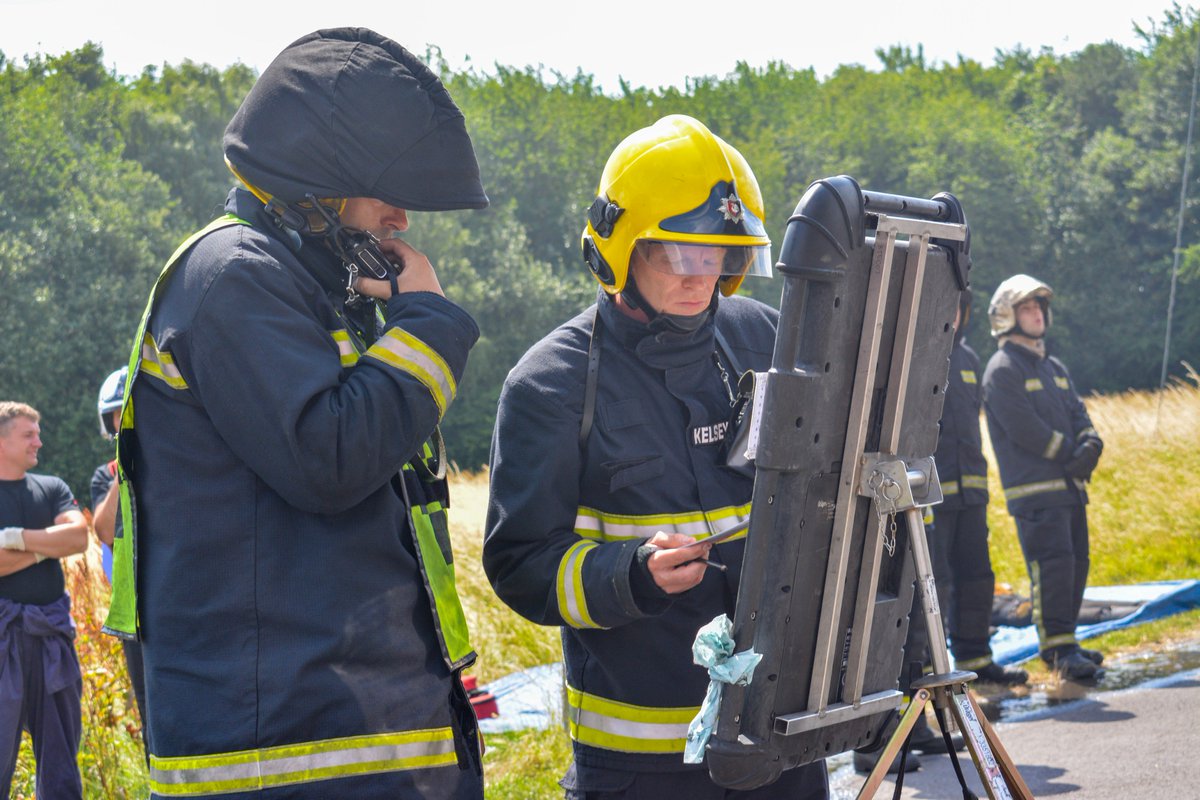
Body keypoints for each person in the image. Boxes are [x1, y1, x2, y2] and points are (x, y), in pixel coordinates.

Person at [102, 28, 489, 798]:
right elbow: (332, 458)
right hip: (291, 754)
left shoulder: (293, 286)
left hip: (340, 740)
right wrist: (431, 327)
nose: (401, 218)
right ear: (319, 183)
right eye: (387, 192)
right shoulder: (235, 278)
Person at [483, 115, 829, 799]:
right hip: (640, 762)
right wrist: (630, 575)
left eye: (721, 256)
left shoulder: (759, 336)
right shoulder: (550, 383)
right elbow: (519, 565)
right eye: (679, 254)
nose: (702, 277)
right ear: (620, 247)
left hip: (775, 735)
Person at [982, 275, 1104, 682]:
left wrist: (1091, 444)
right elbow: (1025, 429)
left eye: (1039, 308)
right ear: (1007, 317)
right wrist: (1071, 453)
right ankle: (1057, 650)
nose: (1037, 314)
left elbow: (1078, 414)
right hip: (1035, 493)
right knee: (1052, 567)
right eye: (1027, 308)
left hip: (1070, 490)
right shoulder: (1002, 370)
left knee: (1075, 564)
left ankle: (1065, 642)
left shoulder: (1053, 367)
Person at [930, 294, 1029, 686]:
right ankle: (932, 671)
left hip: (972, 494)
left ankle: (978, 660)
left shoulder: (969, 360)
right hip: (933, 497)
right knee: (934, 584)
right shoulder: (918, 355)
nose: (952, 314)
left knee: (977, 578)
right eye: (945, 305)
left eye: (957, 307)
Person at [0, 401, 89, 798]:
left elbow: (78, 538)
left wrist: (16, 539)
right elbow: (62, 542)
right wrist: (48, 547)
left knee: (60, 760)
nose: (39, 441)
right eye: (28, 434)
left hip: (52, 638)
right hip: (3, 639)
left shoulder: (52, 487)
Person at [90, 366, 150, 762]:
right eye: (120, 413)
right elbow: (104, 531)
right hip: (134, 614)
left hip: (181, 599)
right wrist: (126, 465)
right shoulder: (106, 475)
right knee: (150, 710)